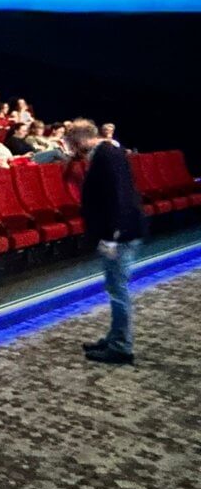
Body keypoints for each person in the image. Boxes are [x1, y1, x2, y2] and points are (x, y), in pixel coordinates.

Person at [66, 119, 146, 365]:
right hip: (119, 232)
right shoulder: (108, 152)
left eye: (72, 144)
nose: (72, 150)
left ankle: (121, 347)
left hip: (120, 234)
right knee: (115, 288)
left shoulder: (107, 156)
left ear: (80, 140)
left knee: (118, 290)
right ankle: (114, 337)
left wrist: (112, 237)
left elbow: (118, 197)